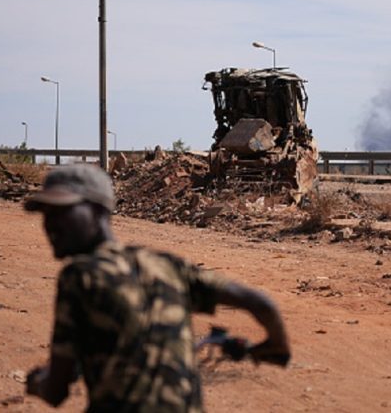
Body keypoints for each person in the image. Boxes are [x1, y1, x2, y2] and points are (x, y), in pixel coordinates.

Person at [24, 164, 290, 411]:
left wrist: (37, 382)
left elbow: (56, 392)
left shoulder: (79, 276)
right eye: (46, 214)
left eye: (61, 212)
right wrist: (275, 348)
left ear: (98, 210)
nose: (50, 224)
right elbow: (261, 304)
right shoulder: (165, 265)